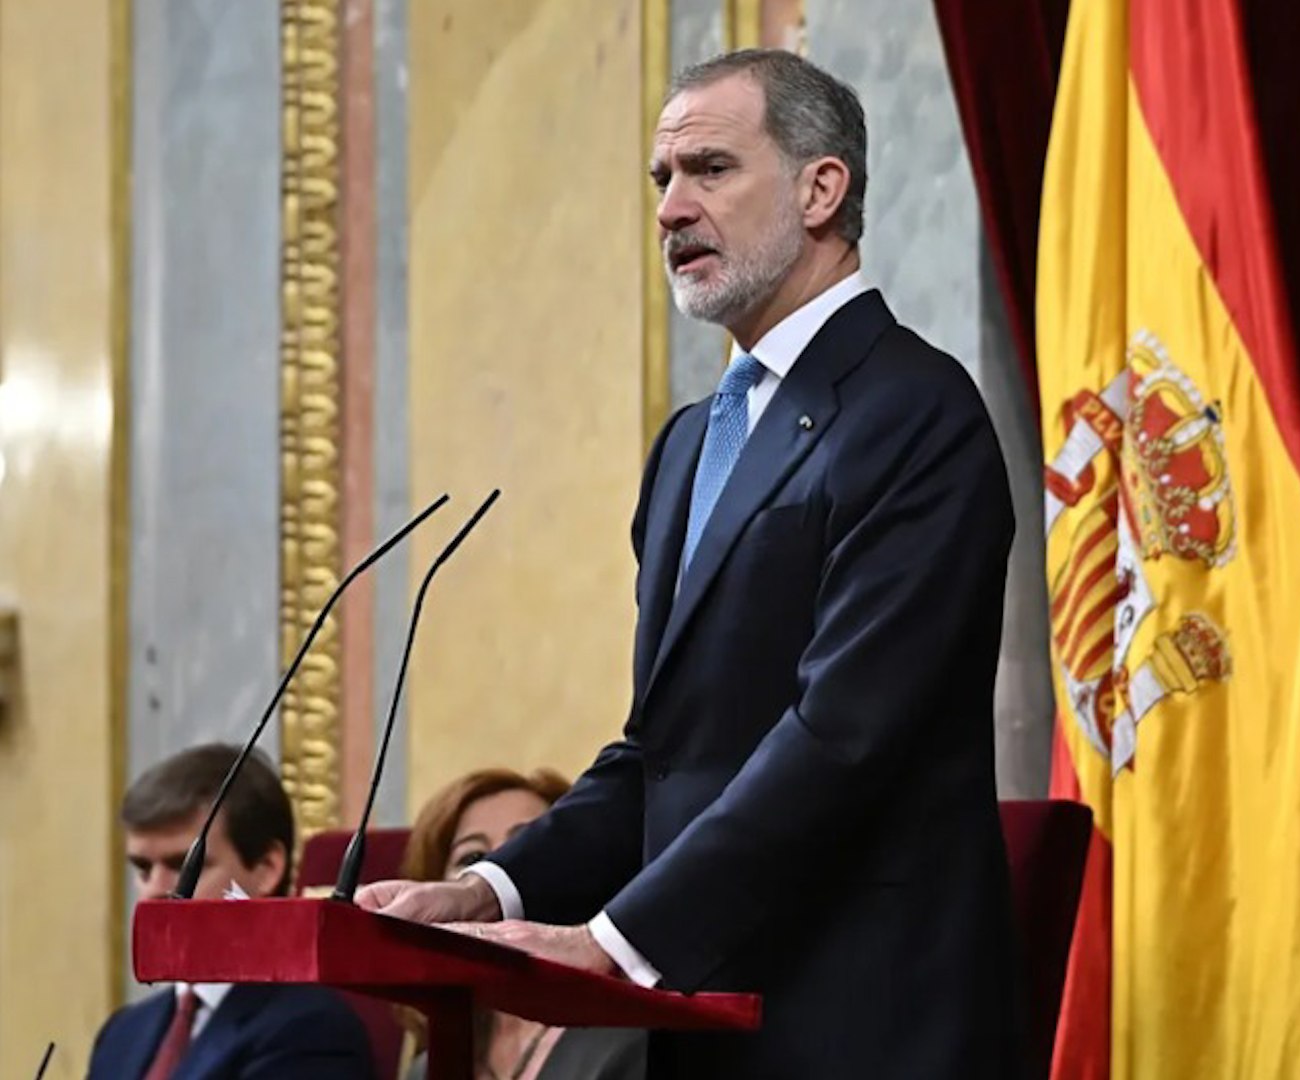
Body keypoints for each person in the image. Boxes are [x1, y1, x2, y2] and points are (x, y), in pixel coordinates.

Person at [357, 48, 1019, 1079]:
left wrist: (618, 941)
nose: (670, 208)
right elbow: (660, 754)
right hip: (711, 1027)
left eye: (709, 169)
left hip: (865, 1023)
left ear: (820, 187)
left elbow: (843, 737)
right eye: (662, 180)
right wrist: (496, 891)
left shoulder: (915, 414)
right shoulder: (687, 447)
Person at [89, 744, 374, 1079]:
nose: (154, 890)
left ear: (267, 867)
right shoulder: (121, 1034)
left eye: (184, 866)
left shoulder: (314, 1029)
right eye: (142, 869)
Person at [397, 768, 648, 1080]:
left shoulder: (633, 1043)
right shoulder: (426, 1069)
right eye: (473, 857)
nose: (501, 871)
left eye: (527, 849)